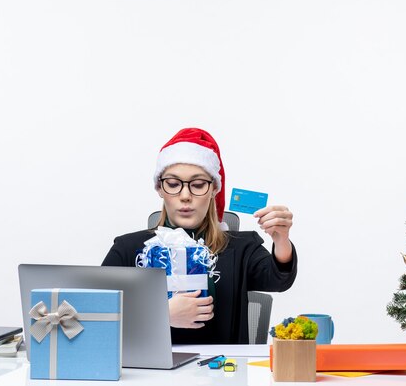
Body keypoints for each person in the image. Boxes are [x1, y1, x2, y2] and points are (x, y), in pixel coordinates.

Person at [102, 128, 297, 344]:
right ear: (159, 188)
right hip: (149, 374)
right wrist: (160, 314)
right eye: (174, 184)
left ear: (214, 189)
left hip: (223, 371)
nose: (185, 196)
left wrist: (281, 239)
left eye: (197, 185)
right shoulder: (129, 249)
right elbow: (94, 311)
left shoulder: (241, 249)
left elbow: (279, 279)